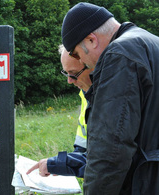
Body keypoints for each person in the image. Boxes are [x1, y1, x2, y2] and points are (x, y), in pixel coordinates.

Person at [61, 2, 159, 194]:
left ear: (91, 40)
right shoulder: (151, 42)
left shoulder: (119, 55)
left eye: (77, 54)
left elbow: (110, 149)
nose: (82, 62)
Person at [27, 45, 93, 178]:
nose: (69, 81)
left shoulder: (111, 99)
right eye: (66, 73)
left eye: (74, 74)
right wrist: (59, 164)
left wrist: (60, 164)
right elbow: (83, 152)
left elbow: (106, 162)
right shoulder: (85, 94)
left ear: (93, 65)